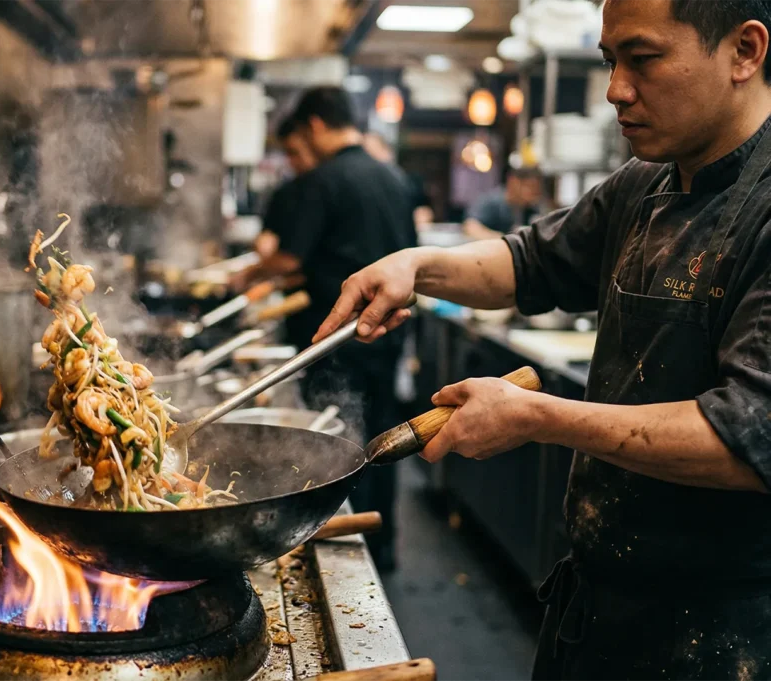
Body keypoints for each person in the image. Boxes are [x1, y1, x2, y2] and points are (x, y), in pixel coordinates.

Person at [313, 0, 771, 677]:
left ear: (745, 51)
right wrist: (415, 267)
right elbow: (531, 261)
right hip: (594, 608)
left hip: (717, 637)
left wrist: (536, 417)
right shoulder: (643, 185)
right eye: (611, 61)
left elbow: (749, 439)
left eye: (642, 59)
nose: (616, 88)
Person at [237, 86, 418, 572]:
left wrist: (244, 277)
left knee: (335, 444)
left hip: (337, 341)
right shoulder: (394, 178)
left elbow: (291, 259)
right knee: (386, 436)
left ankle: (340, 550)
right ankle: (381, 544)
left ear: (315, 125)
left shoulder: (324, 180)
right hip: (389, 334)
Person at [254, 117, 319, 259]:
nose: (291, 161)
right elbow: (267, 236)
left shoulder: (330, 188)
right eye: (288, 154)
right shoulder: (286, 193)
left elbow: (292, 260)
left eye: (295, 152)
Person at [364, 131, 435, 228]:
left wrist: (421, 215)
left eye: (372, 152)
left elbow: (423, 211)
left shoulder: (406, 181)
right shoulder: (361, 187)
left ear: (387, 153)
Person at [463, 167, 544, 240]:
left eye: (537, 189)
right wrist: (503, 240)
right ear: (513, 182)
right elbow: (470, 226)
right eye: (530, 186)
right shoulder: (491, 201)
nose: (534, 193)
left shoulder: (531, 209)